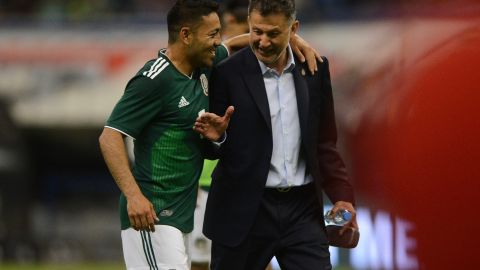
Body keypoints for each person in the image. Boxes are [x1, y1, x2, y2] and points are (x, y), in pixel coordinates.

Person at [98, 0, 321, 269]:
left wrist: (294, 41)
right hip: (151, 213)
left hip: (179, 213)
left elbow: (238, 43)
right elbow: (109, 136)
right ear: (185, 35)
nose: (218, 41)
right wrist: (134, 196)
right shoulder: (153, 80)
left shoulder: (202, 67)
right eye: (213, 34)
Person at [193, 0, 358, 269]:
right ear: (248, 25)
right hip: (244, 209)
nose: (263, 41)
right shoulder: (226, 73)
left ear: (294, 29)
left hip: (302, 209)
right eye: (257, 31)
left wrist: (342, 196)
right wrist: (216, 138)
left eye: (273, 33)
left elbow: (325, 143)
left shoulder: (315, 69)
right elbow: (212, 151)